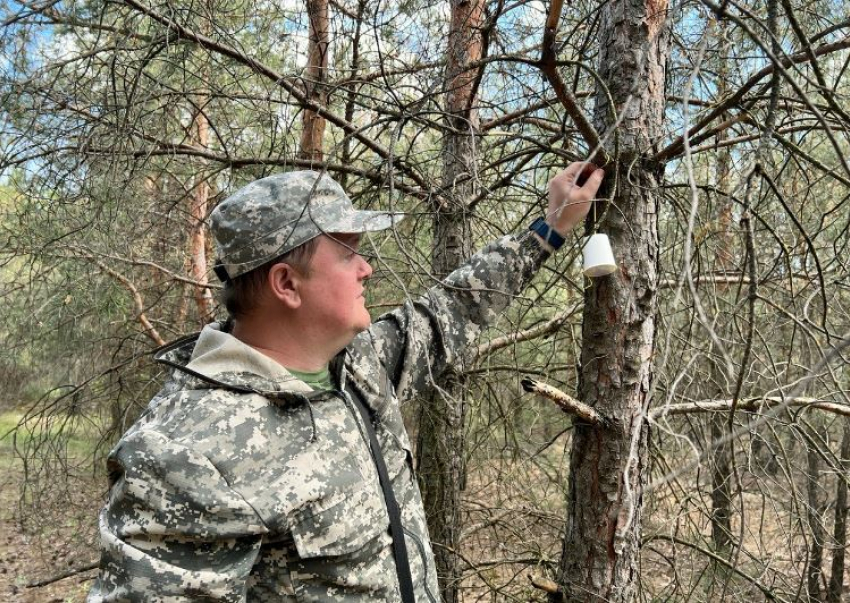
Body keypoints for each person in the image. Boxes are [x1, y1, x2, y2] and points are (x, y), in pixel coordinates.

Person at [88, 162, 605, 602]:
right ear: (286, 283)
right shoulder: (187, 450)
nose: (367, 268)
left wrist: (552, 226)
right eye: (348, 253)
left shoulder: (356, 365)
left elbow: (452, 308)